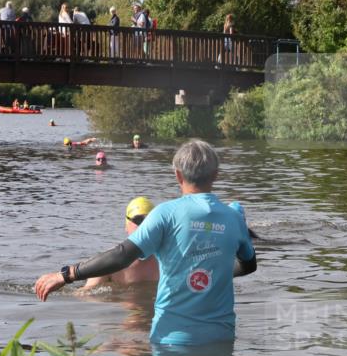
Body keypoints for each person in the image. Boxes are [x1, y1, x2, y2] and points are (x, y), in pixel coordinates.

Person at [35, 140, 258, 345]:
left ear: (178, 175)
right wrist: (213, 270)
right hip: (221, 337)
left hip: (172, 337)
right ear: (216, 175)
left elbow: (122, 254)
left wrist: (67, 274)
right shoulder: (235, 218)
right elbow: (249, 266)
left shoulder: (165, 214)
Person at [79, 197, 160, 291]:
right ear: (126, 225)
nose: (143, 226)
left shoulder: (166, 259)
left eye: (148, 221)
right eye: (138, 220)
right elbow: (84, 294)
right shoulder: (109, 260)